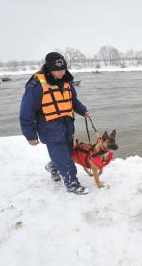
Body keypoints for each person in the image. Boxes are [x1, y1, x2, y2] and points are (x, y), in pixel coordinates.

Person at [20, 52, 90, 195]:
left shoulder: (66, 80)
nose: (62, 72)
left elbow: (73, 101)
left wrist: (82, 110)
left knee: (68, 154)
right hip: (49, 129)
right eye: (58, 70)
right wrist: (30, 135)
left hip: (67, 126)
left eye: (64, 69)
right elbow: (26, 112)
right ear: (49, 69)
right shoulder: (36, 84)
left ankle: (53, 167)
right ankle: (72, 184)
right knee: (65, 159)